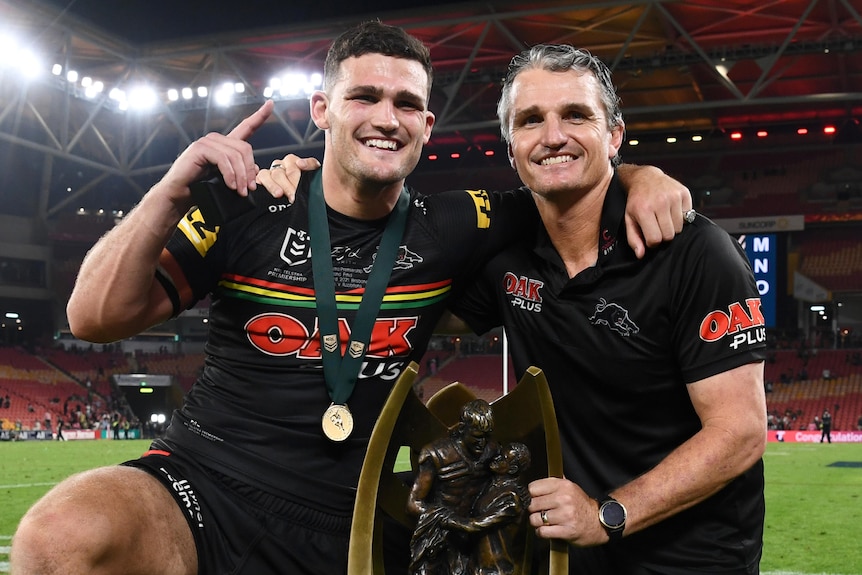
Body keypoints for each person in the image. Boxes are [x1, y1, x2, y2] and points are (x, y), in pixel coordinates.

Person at [11, 23, 689, 575]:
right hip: (207, 483)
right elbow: (91, 316)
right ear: (323, 109)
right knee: (62, 536)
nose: (384, 119)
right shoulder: (251, 203)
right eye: (364, 97)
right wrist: (170, 188)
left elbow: (564, 170)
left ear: (427, 125)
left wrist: (640, 172)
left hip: (355, 515)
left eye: (405, 106)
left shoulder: (459, 224)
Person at [448, 44, 768, 573]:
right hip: (569, 556)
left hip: (692, 559)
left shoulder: (694, 252)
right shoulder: (506, 257)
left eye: (576, 115)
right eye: (531, 120)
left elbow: (740, 431)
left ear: (615, 134)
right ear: (511, 147)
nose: (553, 136)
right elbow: (411, 314)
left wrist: (607, 515)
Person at [406, 399, 499, 575]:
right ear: (463, 428)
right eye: (477, 436)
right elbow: (413, 504)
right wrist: (452, 520)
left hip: (474, 539)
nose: (483, 443)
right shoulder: (436, 454)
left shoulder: (492, 451)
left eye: (487, 436)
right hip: (438, 536)